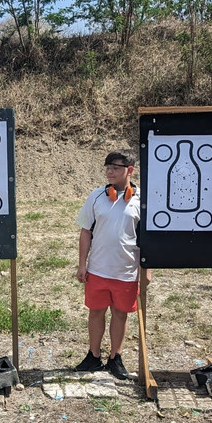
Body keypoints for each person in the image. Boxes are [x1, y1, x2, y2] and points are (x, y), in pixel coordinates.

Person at [74, 151, 143, 381]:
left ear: (129, 170)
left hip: (127, 271)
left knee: (120, 314)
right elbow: (85, 232)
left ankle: (116, 357)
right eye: (107, 168)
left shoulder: (142, 200)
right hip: (98, 269)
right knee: (96, 312)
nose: (109, 172)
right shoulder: (96, 196)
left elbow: (148, 239)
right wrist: (82, 264)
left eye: (115, 167)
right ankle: (93, 356)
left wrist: (147, 270)